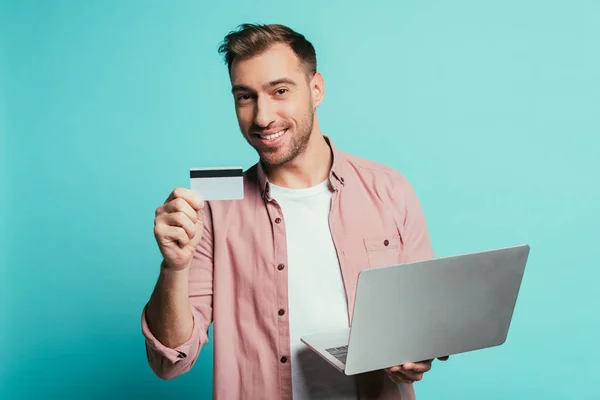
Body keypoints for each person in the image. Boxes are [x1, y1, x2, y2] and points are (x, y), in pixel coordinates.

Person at [142, 23, 448, 400]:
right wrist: (173, 267)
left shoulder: (389, 190)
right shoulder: (214, 211)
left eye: (280, 91)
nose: (262, 117)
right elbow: (170, 361)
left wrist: (417, 353)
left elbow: (422, 325)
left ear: (316, 89)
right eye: (245, 97)